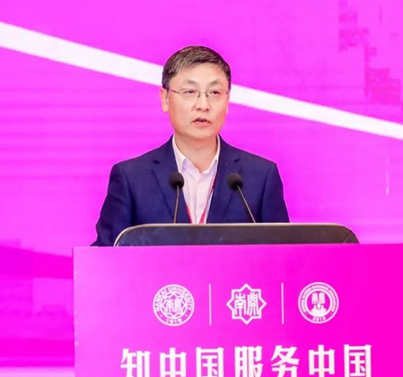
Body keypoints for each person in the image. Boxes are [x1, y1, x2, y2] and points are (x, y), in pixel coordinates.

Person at [92, 45, 289, 246]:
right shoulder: (132, 178)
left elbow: (285, 256)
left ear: (227, 101)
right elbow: (103, 258)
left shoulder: (260, 177)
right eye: (190, 92)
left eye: (214, 92)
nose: (203, 105)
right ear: (165, 99)